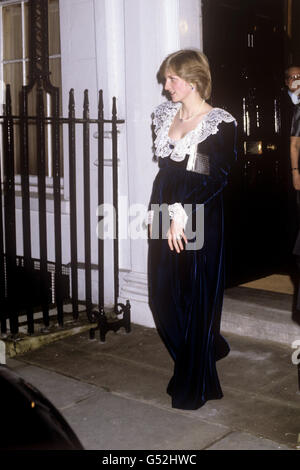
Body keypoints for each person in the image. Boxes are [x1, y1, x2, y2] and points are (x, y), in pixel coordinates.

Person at [147, 49, 237, 410]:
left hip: (197, 209)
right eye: (166, 78)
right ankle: (207, 347)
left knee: (195, 293)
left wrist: (183, 213)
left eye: (173, 79)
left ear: (194, 80)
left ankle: (194, 376)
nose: (166, 86)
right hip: (162, 206)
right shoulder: (163, 115)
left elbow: (212, 175)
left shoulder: (218, 122)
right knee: (162, 296)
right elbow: (169, 167)